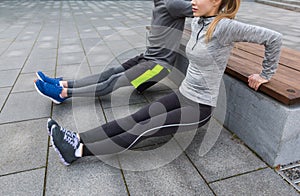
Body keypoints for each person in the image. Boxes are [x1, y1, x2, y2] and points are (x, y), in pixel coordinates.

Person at [48, 0, 282, 166]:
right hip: (184, 94)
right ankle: (77, 137)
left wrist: (265, 74)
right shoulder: (198, 22)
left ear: (216, 2)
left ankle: (77, 152)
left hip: (200, 106)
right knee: (135, 118)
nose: (193, 1)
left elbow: (273, 38)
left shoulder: (226, 27)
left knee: (143, 129)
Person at [34, 0, 193, 104]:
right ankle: (64, 83)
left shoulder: (173, 3)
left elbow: (208, 8)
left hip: (159, 65)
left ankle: (62, 93)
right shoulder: (167, 2)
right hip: (147, 57)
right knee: (111, 72)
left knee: (113, 81)